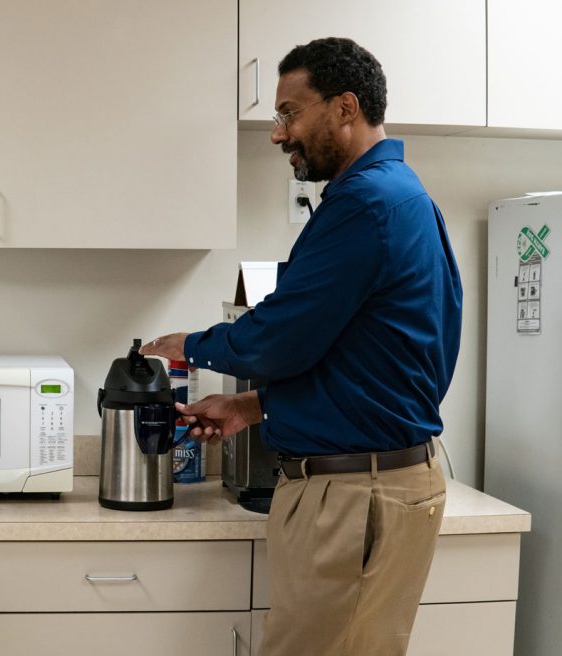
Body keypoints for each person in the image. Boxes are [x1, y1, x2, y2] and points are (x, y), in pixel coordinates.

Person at [141, 37, 462, 656]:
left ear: (344, 107)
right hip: (376, 488)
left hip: (351, 499)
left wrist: (193, 345)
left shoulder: (367, 205)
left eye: (290, 112)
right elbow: (372, 361)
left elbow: (280, 340)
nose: (278, 134)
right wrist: (253, 409)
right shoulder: (399, 195)